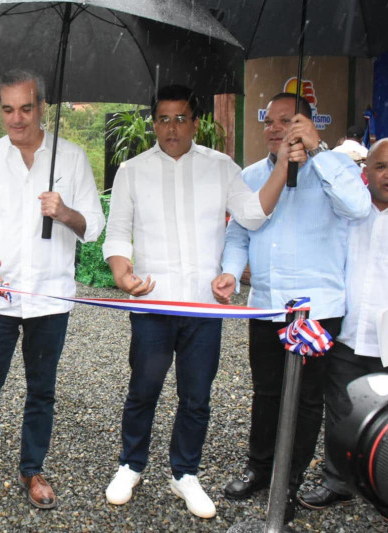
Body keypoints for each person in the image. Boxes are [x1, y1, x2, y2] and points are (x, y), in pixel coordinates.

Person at [102, 85, 287, 519]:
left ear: (195, 122)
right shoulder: (131, 170)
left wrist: (282, 166)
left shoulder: (221, 167)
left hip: (204, 306)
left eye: (180, 118)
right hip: (153, 302)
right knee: (143, 389)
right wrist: (121, 272)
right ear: (153, 122)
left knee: (197, 395)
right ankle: (131, 465)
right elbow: (117, 232)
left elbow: (254, 214)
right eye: (163, 118)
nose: (171, 127)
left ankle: (184, 472)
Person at [0, 69, 105, 510]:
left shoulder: (70, 158)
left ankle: (32, 468)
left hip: (50, 297)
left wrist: (66, 212)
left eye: (26, 108)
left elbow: (93, 227)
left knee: (42, 389)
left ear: (42, 107)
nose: (17, 118)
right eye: (8, 109)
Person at [216, 93, 370, 522]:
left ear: (307, 124)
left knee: (305, 399)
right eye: (270, 121)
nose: (275, 129)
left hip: (316, 308)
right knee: (266, 391)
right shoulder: (250, 175)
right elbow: (239, 233)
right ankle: (260, 467)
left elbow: (358, 209)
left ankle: (291, 479)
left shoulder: (335, 168)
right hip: (266, 305)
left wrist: (318, 154)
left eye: (288, 121)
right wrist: (231, 270)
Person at [297, 138, 388, 526]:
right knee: (343, 410)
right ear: (365, 172)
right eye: (381, 167)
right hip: (348, 332)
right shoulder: (349, 210)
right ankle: (339, 482)